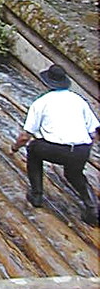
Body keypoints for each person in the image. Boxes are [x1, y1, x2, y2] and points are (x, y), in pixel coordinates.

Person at [11, 64, 99, 226]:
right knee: (75, 175)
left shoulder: (41, 102)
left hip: (53, 149)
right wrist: (85, 147)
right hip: (81, 150)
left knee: (33, 149)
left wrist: (15, 148)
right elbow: (94, 131)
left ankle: (36, 195)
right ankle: (93, 209)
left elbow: (25, 136)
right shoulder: (79, 100)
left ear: (47, 82)